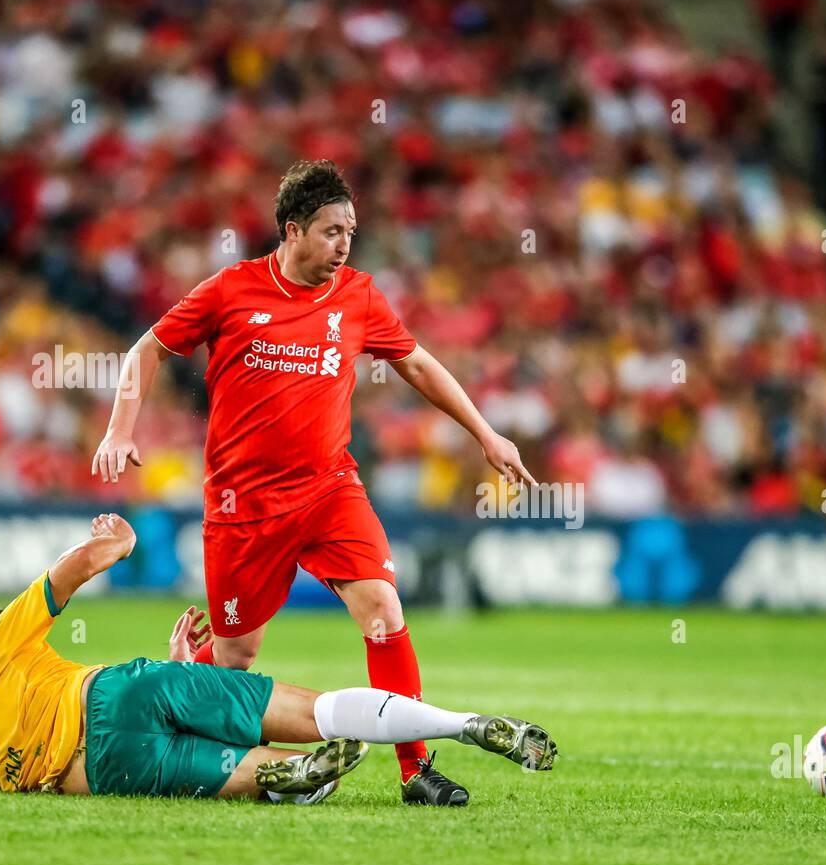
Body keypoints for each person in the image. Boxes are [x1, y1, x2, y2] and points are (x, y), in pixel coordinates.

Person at [91, 159, 537, 806]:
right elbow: (147, 349)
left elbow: (418, 365)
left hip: (330, 491)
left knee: (384, 610)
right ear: (292, 231)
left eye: (350, 232)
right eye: (331, 231)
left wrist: (486, 434)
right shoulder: (231, 290)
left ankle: (415, 772)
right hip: (244, 507)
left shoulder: (357, 295)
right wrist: (118, 430)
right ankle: (175, 699)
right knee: (235, 657)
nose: (344, 245)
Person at [0, 512, 556, 800]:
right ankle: (462, 725)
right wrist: (120, 541)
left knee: (231, 771)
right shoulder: (2, 642)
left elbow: (64, 780)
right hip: (117, 689)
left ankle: (287, 777)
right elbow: (75, 567)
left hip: (108, 764)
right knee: (322, 711)